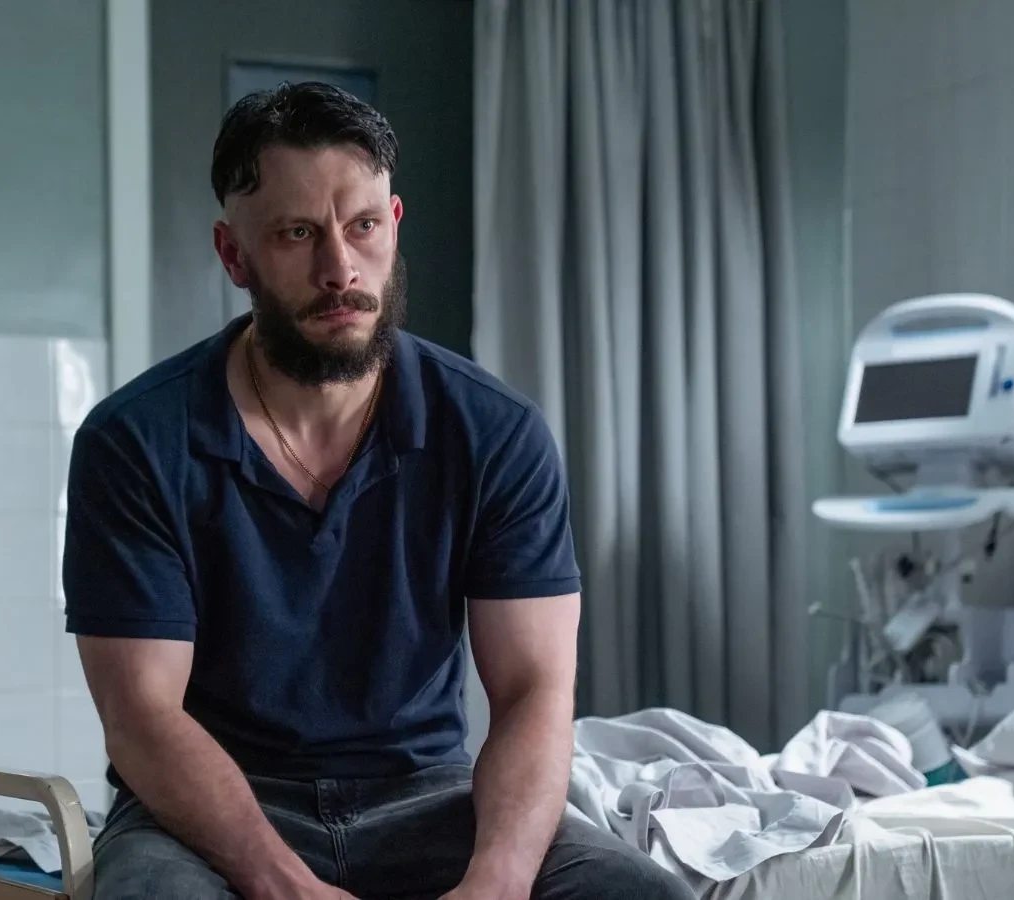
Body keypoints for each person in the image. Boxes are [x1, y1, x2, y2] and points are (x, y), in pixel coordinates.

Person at [62, 81, 690, 900]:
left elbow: (537, 688)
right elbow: (143, 718)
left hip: (428, 799)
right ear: (233, 254)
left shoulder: (495, 432)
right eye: (296, 234)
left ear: (392, 225)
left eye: (361, 226)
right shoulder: (135, 442)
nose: (339, 268)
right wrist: (284, 884)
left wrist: (496, 883)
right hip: (211, 812)